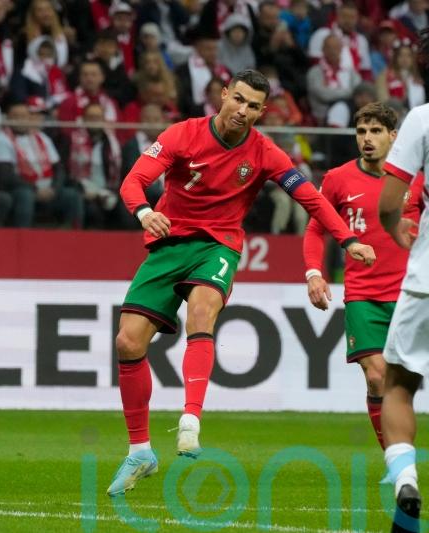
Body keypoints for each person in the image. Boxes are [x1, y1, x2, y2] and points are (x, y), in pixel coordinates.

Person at [108, 69, 376, 497]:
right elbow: (133, 181)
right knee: (127, 342)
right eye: (238, 99)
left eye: (253, 106)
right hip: (168, 242)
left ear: (261, 112)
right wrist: (144, 212)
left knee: (201, 312)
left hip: (218, 246)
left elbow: (310, 197)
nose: (243, 110)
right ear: (223, 95)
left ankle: (190, 419)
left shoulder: (265, 153)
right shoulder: (183, 134)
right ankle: (140, 451)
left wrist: (347, 239)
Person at [303, 102, 423, 452]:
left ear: (393, 136)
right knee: (376, 377)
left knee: (405, 382)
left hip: (413, 293)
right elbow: (315, 229)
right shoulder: (338, 179)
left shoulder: (417, 180)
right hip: (363, 296)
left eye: (375, 131)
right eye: (361, 131)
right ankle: (396, 460)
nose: (367, 139)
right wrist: (314, 274)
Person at [377, 35, 429, 530]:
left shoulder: (421, 118)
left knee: (398, 385)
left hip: (426, 279)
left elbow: (389, 202)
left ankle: (406, 481)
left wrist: (395, 229)